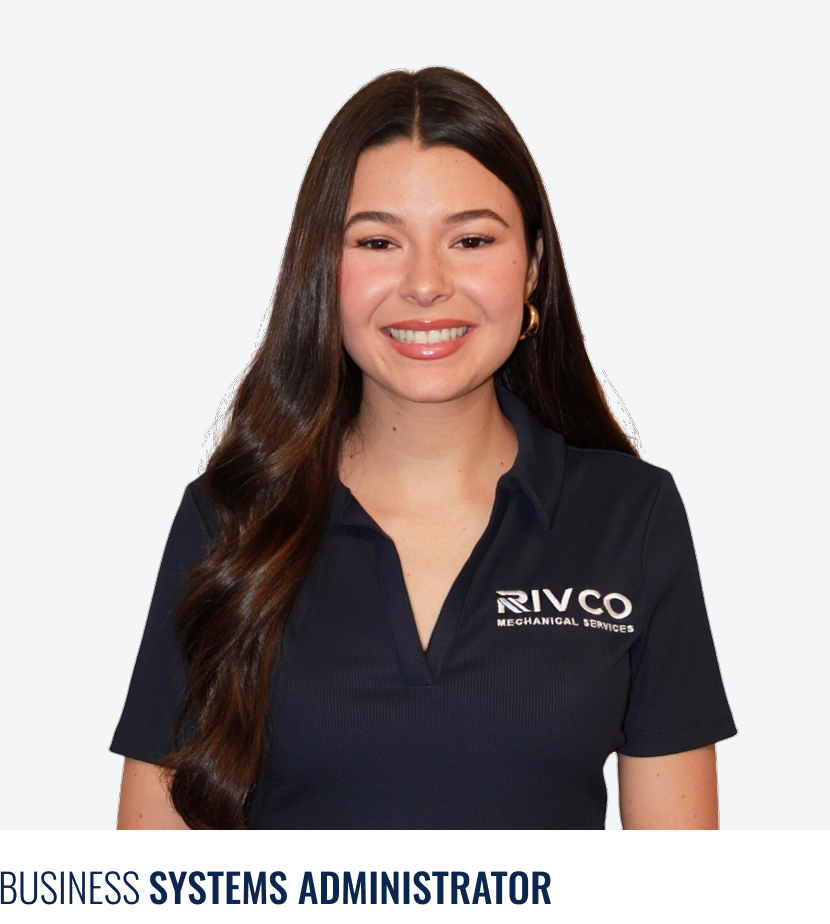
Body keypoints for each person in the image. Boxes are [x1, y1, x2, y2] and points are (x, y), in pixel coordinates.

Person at [111, 66, 737, 830]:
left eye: (471, 239)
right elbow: (150, 887)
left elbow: (680, 894)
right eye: (378, 241)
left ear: (533, 263)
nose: (426, 283)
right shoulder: (230, 522)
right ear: (323, 270)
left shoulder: (629, 520)